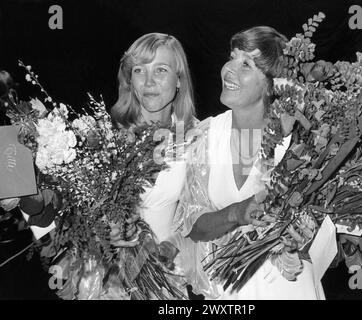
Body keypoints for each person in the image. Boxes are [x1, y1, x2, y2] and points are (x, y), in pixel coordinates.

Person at [172, 26, 327, 299]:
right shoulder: (207, 136)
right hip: (229, 292)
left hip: (289, 288)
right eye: (231, 57)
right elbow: (192, 226)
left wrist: (300, 234)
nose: (229, 68)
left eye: (246, 64)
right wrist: (237, 212)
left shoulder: (305, 140)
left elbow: (325, 221)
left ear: (272, 84)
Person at [110, 32, 196, 244]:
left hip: (169, 265)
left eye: (161, 70)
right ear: (130, 80)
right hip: (107, 270)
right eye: (139, 70)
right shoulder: (107, 136)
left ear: (179, 80)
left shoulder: (197, 136)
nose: (148, 82)